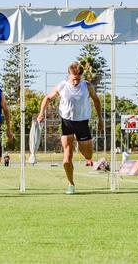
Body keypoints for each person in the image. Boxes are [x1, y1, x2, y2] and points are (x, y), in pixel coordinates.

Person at [37, 62, 103, 195]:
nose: (75, 81)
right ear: (69, 75)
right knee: (67, 157)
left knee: (88, 155)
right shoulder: (62, 85)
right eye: (73, 78)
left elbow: (96, 100)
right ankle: (70, 184)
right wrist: (41, 113)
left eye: (78, 79)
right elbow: (48, 97)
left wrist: (100, 119)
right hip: (67, 123)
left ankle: (80, 143)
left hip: (82, 123)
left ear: (81, 76)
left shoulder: (87, 86)